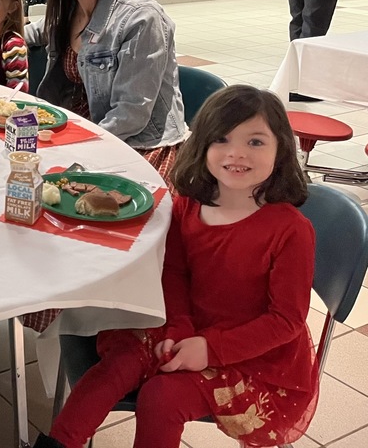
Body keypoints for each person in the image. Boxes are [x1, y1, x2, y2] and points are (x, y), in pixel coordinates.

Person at [34, 84, 318, 448]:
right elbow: (175, 274)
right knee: (117, 366)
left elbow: (286, 321)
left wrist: (208, 349)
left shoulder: (292, 231)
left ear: (281, 149)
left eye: (256, 142)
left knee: (162, 397)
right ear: (202, 146)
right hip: (182, 324)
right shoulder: (187, 206)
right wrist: (181, 327)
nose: (236, 153)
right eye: (222, 140)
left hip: (248, 355)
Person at [24, 0, 185, 185]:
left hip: (136, 143)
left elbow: (131, 114)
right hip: (82, 132)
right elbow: (27, 34)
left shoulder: (141, 18)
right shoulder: (66, 11)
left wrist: (77, 146)